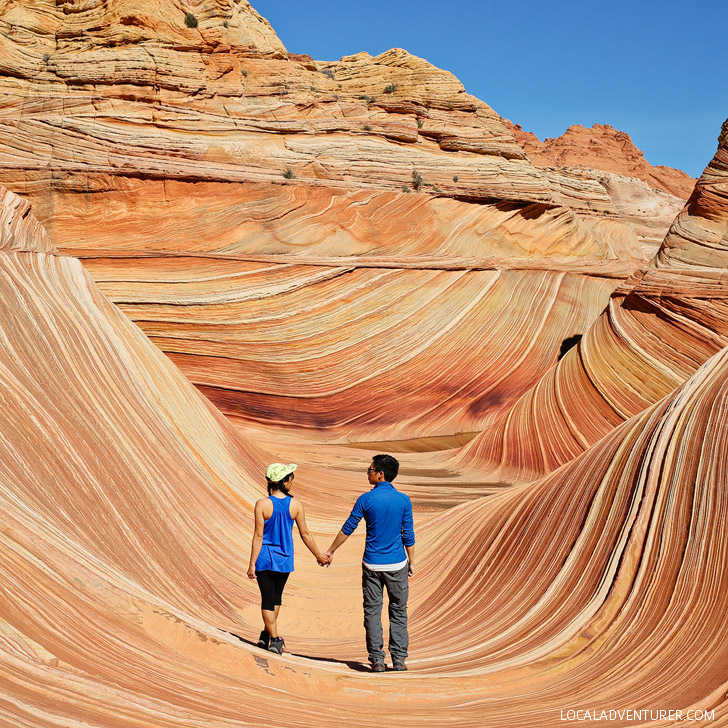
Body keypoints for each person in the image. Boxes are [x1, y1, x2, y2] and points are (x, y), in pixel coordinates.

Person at [325, 454, 415, 672]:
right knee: (398, 611)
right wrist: (412, 561)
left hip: (372, 565)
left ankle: (376, 660)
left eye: (370, 469)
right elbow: (408, 534)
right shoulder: (403, 500)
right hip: (396, 565)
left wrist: (331, 550)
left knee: (373, 612)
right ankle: (399, 659)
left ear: (380, 474)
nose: (368, 472)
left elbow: (349, 527)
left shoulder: (365, 500)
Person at [248, 463, 329, 654]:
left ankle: (268, 636)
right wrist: (318, 555)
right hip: (284, 559)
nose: (292, 481)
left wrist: (252, 563)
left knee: (269, 600)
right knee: (275, 599)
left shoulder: (262, 504)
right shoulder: (296, 505)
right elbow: (305, 533)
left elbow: (258, 535)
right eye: (290, 478)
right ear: (284, 481)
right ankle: (275, 638)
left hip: (265, 559)